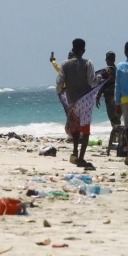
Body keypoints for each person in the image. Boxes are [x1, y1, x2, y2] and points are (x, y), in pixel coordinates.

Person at [55, 38, 98, 166]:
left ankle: (74, 151)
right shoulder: (88, 64)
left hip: (72, 101)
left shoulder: (65, 64)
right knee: (85, 129)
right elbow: (92, 81)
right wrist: (101, 78)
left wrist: (61, 91)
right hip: (85, 101)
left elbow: (59, 83)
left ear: (72, 49)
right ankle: (81, 157)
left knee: (75, 129)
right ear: (84, 50)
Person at [95, 51, 121, 132]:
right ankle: (119, 136)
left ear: (107, 60)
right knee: (117, 117)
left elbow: (102, 85)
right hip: (119, 97)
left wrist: (97, 97)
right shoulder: (119, 70)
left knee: (113, 118)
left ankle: (117, 135)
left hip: (109, 97)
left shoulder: (105, 71)